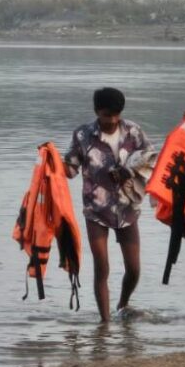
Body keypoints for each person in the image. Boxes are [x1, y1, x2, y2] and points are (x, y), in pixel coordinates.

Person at [64, 87, 157, 323]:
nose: (112, 120)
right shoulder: (83, 135)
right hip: (96, 210)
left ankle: (123, 304)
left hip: (128, 208)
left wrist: (127, 172)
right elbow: (71, 169)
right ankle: (105, 324)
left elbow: (150, 157)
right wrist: (52, 163)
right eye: (107, 115)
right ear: (97, 112)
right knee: (101, 267)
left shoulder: (133, 132)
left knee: (134, 269)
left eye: (117, 114)